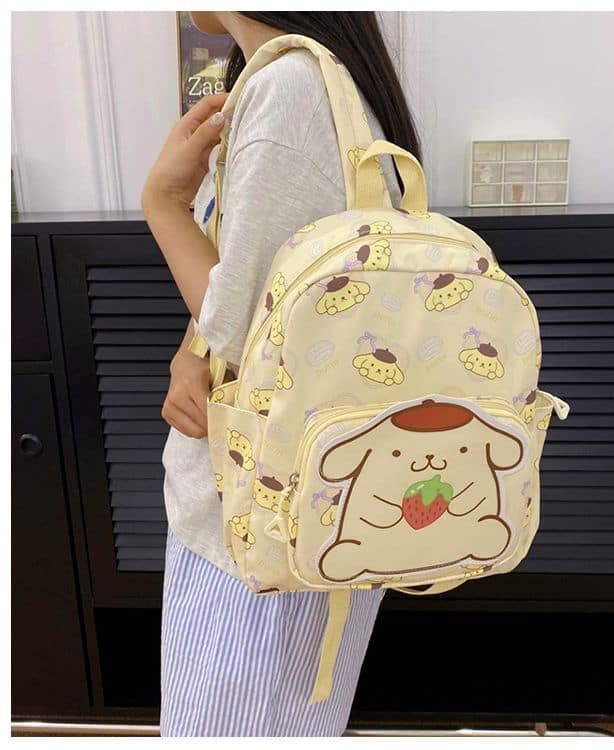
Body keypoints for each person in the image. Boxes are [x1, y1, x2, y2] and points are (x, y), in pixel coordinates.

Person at [141, 11, 421, 737]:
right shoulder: (328, 81)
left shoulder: (289, 87)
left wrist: (164, 205)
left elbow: (251, 333)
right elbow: (278, 296)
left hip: (258, 519)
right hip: (324, 498)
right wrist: (190, 350)